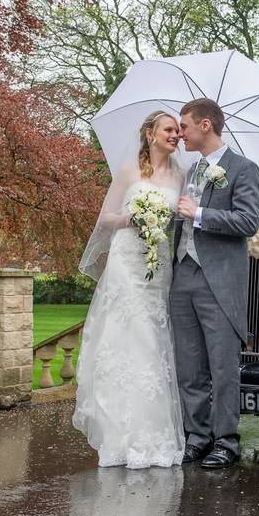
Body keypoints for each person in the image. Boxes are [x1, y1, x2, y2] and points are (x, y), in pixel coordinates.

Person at [73, 110, 186, 469]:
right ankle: (120, 437)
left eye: (179, 131)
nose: (176, 136)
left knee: (152, 340)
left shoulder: (181, 176)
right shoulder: (128, 173)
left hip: (158, 264)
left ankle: (154, 436)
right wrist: (131, 218)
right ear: (150, 134)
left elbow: (180, 221)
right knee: (126, 339)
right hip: (126, 260)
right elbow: (105, 218)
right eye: (170, 130)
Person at [171, 98, 259, 469]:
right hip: (183, 275)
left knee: (223, 364)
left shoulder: (243, 168)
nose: (181, 134)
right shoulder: (190, 170)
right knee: (189, 364)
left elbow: (247, 221)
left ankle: (227, 440)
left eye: (185, 127)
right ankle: (197, 436)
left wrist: (201, 213)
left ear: (205, 125)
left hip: (220, 280)